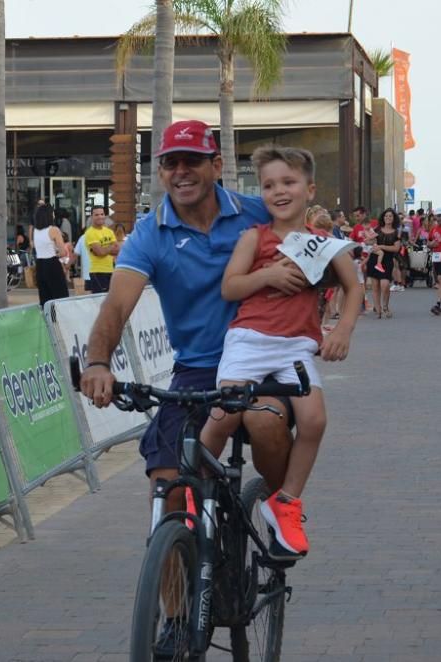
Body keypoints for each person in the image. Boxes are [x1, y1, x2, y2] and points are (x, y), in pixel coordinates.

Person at [80, 120, 308, 564]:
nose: (181, 172)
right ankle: (173, 620)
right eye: (170, 163)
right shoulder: (150, 232)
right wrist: (97, 362)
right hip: (197, 371)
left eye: (192, 161)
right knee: (167, 486)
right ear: (161, 171)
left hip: (259, 363)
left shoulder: (255, 213)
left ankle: (282, 507)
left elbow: (309, 252)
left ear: (216, 166)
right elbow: (117, 305)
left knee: (265, 425)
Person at [198, 145, 360, 560]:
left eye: (288, 182)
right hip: (248, 342)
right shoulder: (254, 237)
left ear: (310, 189)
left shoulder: (326, 244)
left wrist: (341, 330)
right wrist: (266, 274)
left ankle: (286, 503)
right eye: (269, 185)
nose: (278, 191)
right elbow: (230, 287)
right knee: (222, 417)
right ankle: (191, 497)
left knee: (314, 419)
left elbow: (354, 287)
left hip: (296, 349)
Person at [365, 208, 401, 318]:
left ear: (394, 218)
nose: (388, 218)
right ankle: (378, 310)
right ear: (383, 218)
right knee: (375, 286)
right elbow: (370, 241)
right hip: (375, 259)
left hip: (387, 260)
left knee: (385, 285)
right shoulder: (377, 230)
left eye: (390, 216)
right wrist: (369, 241)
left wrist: (382, 246)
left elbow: (396, 248)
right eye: (386, 216)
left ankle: (385, 306)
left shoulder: (396, 232)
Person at [32, 204, 70, 306]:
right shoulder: (54, 230)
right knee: (60, 296)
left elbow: (35, 246)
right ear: (49, 215)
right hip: (52, 263)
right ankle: (59, 321)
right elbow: (63, 252)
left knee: (45, 297)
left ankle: (48, 320)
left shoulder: (35, 231)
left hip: (40, 264)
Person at [84, 205, 118, 293]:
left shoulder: (109, 231)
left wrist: (104, 249)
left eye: (102, 214)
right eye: (96, 215)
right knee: (99, 302)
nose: (100, 217)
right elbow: (100, 252)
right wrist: (110, 247)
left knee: (111, 301)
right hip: (97, 272)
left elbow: (117, 250)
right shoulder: (90, 233)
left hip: (111, 270)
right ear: (91, 217)